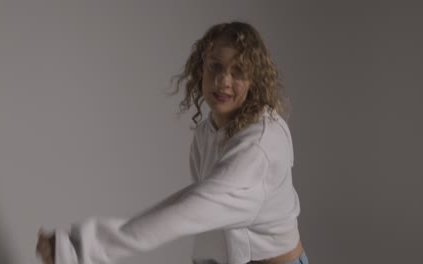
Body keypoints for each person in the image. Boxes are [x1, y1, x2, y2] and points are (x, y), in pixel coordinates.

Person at [36, 21, 309, 264]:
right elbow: (213, 221)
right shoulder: (207, 132)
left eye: (238, 71)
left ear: (254, 80)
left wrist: (83, 247)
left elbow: (199, 206)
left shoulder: (261, 141)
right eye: (215, 66)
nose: (223, 81)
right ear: (201, 68)